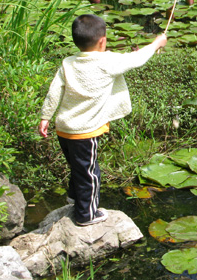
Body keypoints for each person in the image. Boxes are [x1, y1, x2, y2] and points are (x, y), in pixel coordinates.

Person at [38, 14, 167, 226]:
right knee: (90, 173)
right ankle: (86, 215)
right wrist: (156, 43)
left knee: (77, 166)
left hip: (64, 129)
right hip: (85, 132)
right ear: (102, 41)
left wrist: (45, 117)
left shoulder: (68, 62)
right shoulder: (107, 62)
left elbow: (54, 92)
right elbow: (136, 59)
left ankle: (74, 197)